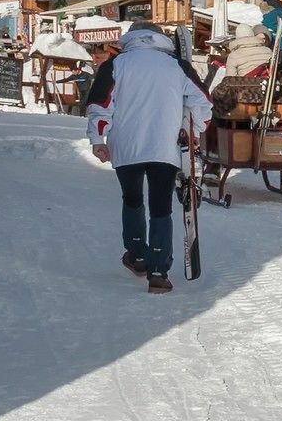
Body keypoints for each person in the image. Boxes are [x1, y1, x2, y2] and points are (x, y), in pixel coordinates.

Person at [86, 23, 212, 294]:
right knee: (161, 206)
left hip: (126, 147)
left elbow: (100, 105)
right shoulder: (176, 65)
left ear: (130, 37)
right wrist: (195, 129)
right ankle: (159, 272)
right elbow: (202, 102)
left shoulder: (116, 64)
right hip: (163, 147)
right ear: (161, 38)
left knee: (131, 200)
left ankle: (137, 255)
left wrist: (98, 139)